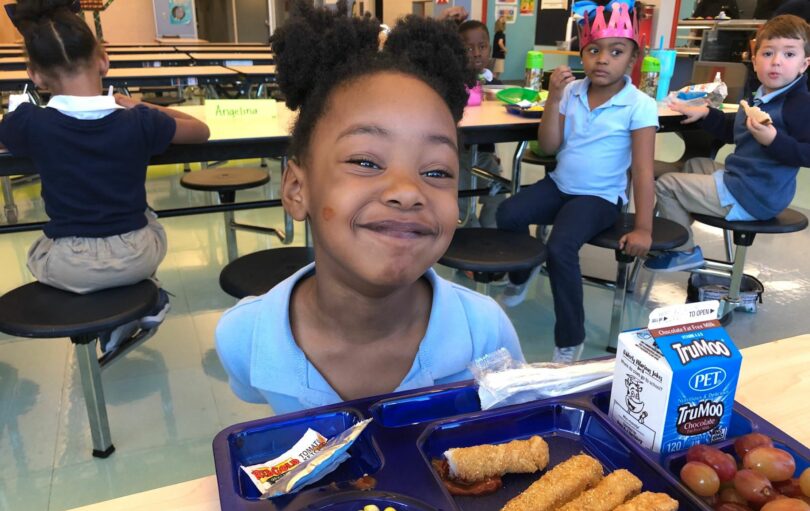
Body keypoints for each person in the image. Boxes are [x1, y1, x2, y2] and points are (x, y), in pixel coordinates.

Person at [215, 0, 524, 414]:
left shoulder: (485, 331)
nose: (407, 191)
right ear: (296, 189)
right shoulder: (245, 337)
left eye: (436, 172)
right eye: (365, 161)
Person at [0, 0, 210, 350]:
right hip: (139, 256)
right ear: (104, 59)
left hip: (69, 267)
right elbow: (200, 131)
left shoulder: (30, 124)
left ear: (34, 75)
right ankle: (144, 298)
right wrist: (138, 105)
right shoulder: (139, 121)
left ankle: (121, 309)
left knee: (37, 251)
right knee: (144, 215)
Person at [496, 1, 656, 363]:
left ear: (632, 60)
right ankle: (522, 273)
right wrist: (553, 97)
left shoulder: (638, 104)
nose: (603, 59)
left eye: (616, 52)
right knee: (509, 212)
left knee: (560, 247)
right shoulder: (572, 91)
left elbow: (643, 171)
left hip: (599, 198)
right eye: (594, 50)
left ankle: (570, 337)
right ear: (581, 55)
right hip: (560, 185)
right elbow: (551, 146)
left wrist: (643, 227)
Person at [647, 14, 810, 272]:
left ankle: (682, 250)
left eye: (789, 55)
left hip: (755, 195)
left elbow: (806, 154)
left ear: (804, 64)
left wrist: (773, 140)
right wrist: (705, 114)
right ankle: (679, 230)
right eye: (768, 53)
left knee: (667, 184)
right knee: (695, 164)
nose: (776, 62)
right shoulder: (762, 96)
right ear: (754, 59)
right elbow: (733, 131)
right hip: (743, 180)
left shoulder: (798, 104)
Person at [458, 19, 507, 229]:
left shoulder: (497, 86)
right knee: (461, 202)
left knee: (498, 196)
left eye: (482, 46)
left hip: (486, 158)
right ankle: (469, 232)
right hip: (459, 156)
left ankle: (491, 233)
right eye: (468, 48)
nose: (477, 53)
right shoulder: (453, 82)